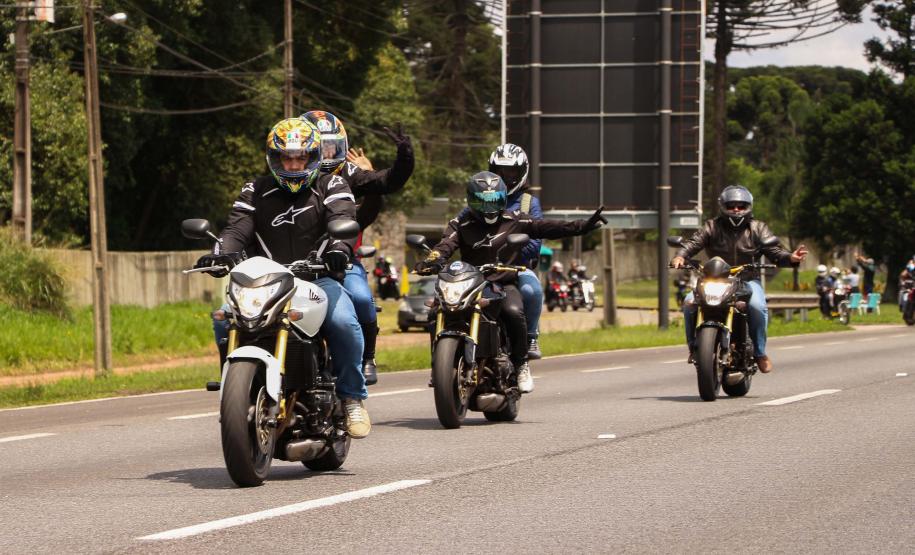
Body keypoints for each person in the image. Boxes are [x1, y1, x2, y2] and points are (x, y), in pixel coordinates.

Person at [194, 118, 371, 439]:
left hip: (317, 278)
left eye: (300, 158)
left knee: (345, 321)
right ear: (274, 158)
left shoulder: (331, 185)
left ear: (313, 157)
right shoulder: (256, 188)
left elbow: (343, 219)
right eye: (285, 158)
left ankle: (351, 397)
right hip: (265, 282)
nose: (292, 165)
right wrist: (219, 252)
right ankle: (236, 386)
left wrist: (338, 250)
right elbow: (236, 229)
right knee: (224, 318)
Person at [415, 171, 606, 393]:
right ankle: (437, 366)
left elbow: (547, 227)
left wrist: (583, 225)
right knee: (435, 312)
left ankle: (521, 363)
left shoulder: (515, 219)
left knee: (514, 311)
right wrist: (432, 261)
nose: (488, 208)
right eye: (481, 201)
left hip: (502, 283)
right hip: (469, 283)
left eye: (493, 201)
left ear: (503, 199)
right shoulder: (462, 222)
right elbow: (444, 246)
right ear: (470, 200)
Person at [301, 110, 414, 386]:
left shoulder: (350, 173)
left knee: (362, 300)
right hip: (296, 262)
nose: (326, 156)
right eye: (319, 148)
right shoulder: (290, 175)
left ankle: (368, 358)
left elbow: (386, 183)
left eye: (331, 148)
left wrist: (402, 157)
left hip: (341, 260)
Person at [670, 185, 807, 373]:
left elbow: (775, 251)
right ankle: (694, 347)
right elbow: (694, 243)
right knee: (689, 303)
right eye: (732, 205)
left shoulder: (758, 228)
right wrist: (681, 256)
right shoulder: (712, 226)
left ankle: (759, 352)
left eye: (741, 206)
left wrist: (791, 258)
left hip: (747, 280)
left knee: (757, 306)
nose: (736, 209)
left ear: (748, 207)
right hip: (715, 279)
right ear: (723, 206)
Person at [454, 143, 546, 359]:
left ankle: (530, 337)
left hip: (516, 267)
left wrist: (502, 248)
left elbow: (534, 246)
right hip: (478, 268)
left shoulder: (528, 204)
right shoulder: (477, 198)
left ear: (522, 172)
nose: (504, 176)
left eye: (510, 171)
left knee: (532, 291)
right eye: (499, 171)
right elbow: (456, 231)